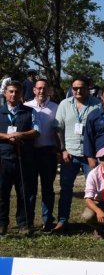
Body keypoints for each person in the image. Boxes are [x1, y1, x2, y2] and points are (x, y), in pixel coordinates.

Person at [54, 77, 102, 233]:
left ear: (88, 88)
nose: (78, 91)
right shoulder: (64, 104)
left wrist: (95, 155)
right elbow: (58, 128)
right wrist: (63, 150)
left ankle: (96, 224)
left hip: (90, 155)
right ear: (71, 89)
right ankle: (62, 221)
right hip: (70, 154)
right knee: (66, 189)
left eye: (81, 88)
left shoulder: (97, 104)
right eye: (75, 88)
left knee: (95, 190)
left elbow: (99, 130)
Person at [0, 81, 39, 236]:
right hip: (3, 158)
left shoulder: (30, 111)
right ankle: (2, 223)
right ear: (5, 93)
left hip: (24, 158)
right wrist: (6, 136)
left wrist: (20, 135)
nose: (14, 94)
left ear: (22, 94)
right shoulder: (0, 111)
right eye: (11, 91)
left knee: (24, 193)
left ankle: (24, 224)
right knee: (2, 192)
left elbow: (36, 131)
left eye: (17, 92)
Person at [24, 78, 59, 232]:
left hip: (48, 152)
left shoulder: (56, 108)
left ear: (48, 90)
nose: (41, 91)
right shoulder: (26, 107)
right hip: (30, 153)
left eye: (44, 88)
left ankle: (47, 220)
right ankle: (28, 221)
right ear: (34, 90)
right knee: (30, 189)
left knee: (47, 189)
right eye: (38, 88)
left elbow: (59, 132)